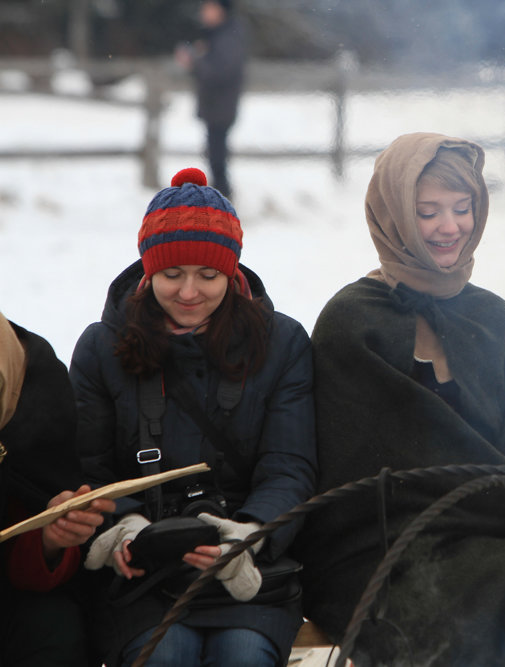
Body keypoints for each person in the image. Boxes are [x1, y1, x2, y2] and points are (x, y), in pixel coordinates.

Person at [295, 132, 505, 665]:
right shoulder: (352, 324)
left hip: (495, 536)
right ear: (395, 216)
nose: (450, 227)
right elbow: (366, 478)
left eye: (463, 207)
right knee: (488, 597)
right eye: (427, 212)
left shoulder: (503, 325)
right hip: (382, 549)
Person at [70, 167, 316, 667]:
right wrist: (125, 527)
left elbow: (290, 466)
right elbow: (89, 471)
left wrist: (248, 535)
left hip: (249, 563)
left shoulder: (283, 343)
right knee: (166, 654)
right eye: (170, 274)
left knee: (243, 655)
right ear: (146, 271)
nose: (189, 293)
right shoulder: (101, 348)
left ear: (233, 273)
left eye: (208, 275)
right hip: (140, 573)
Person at [1, 312, 115, 666]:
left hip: (14, 607)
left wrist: (51, 540)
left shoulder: (33, 389)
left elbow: (30, 564)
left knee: (53, 626)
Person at [174, 0, 248, 199]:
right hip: (216, 106)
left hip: (220, 106)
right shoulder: (218, 35)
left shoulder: (227, 36)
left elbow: (220, 72)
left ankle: (223, 202)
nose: (203, 12)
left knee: (217, 158)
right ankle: (221, 201)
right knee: (214, 156)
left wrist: (194, 61)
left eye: (208, 8)